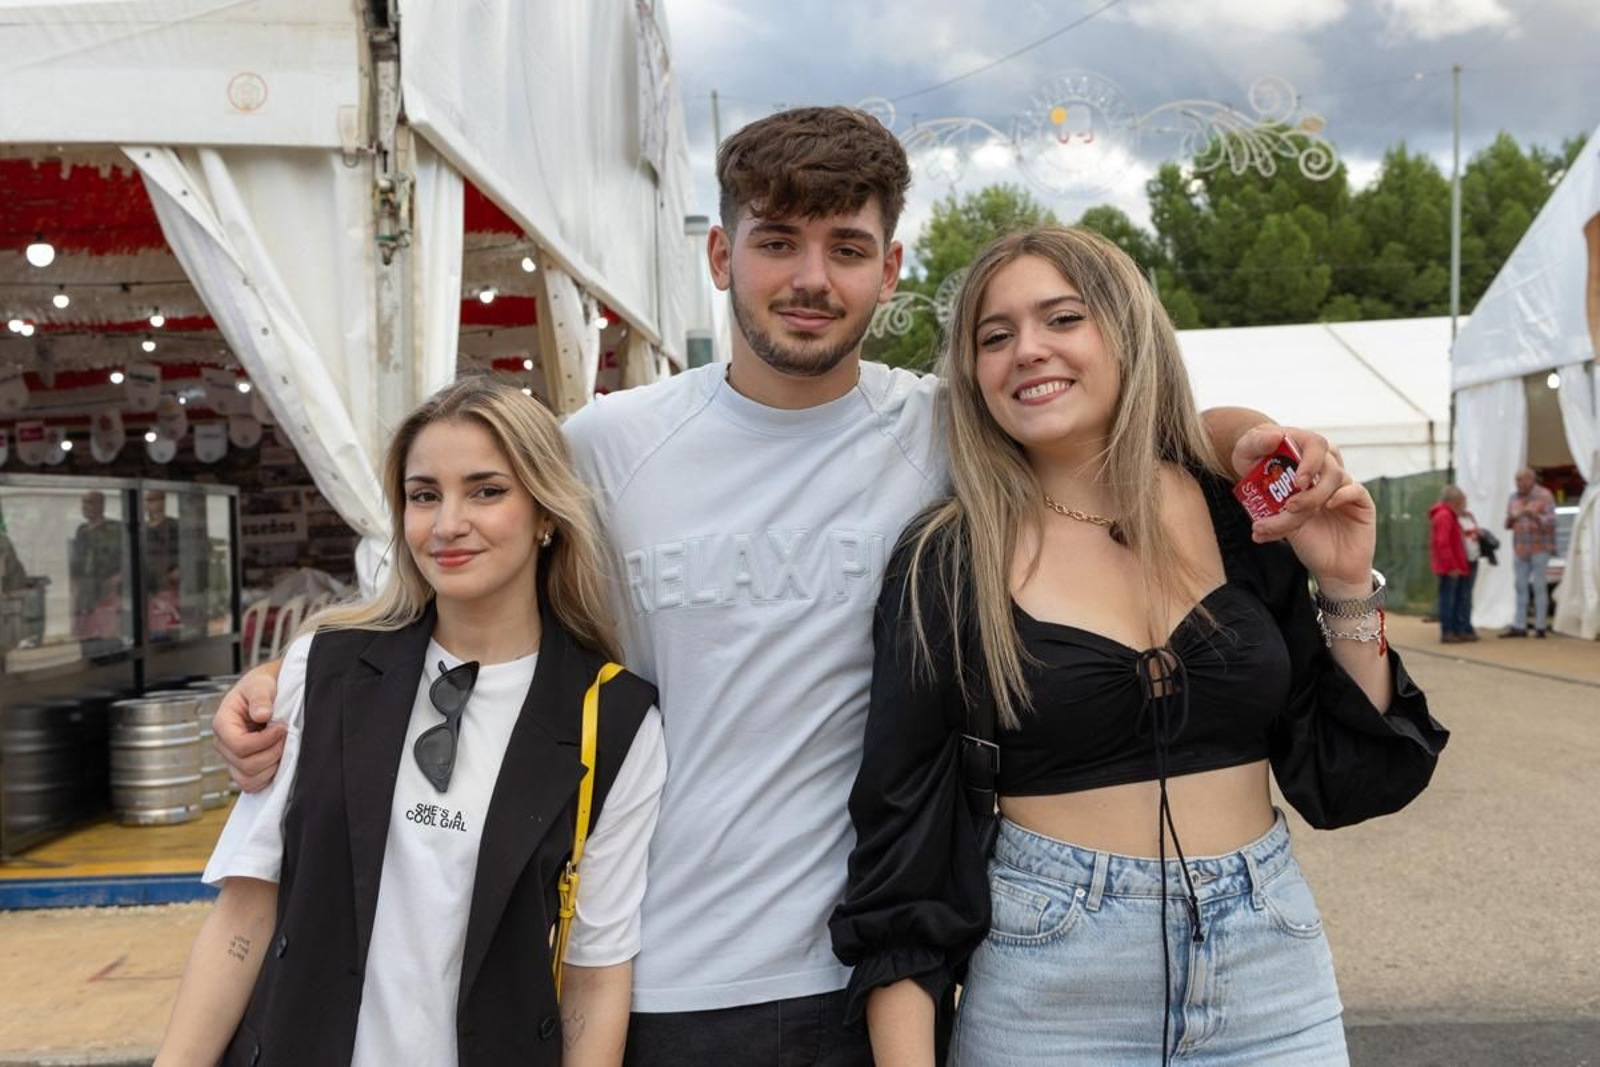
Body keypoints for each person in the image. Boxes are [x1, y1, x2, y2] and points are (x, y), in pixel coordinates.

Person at [211, 108, 1347, 1065]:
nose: (811, 279)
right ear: (722, 254)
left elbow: (1113, 430)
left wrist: (1246, 432)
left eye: (848, 248)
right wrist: (283, 682)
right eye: (777, 243)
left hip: (863, 977)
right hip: (637, 971)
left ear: (891, 270)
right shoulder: (607, 445)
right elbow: (457, 551)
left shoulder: (950, 436)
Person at [831, 227, 1449, 1065]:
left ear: (1126, 332)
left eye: (1062, 318)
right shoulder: (947, 561)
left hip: (1271, 966)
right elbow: (902, 852)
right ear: (972, 375)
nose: (1028, 350)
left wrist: (1343, 586)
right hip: (1051, 983)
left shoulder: (1237, 515)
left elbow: (1353, 777)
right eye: (995, 335)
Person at [156, 378, 666, 1066]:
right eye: (425, 494)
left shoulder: (613, 717)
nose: (448, 523)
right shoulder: (323, 671)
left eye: (486, 490)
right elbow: (244, 914)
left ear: (546, 513)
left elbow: (595, 975)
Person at [1502, 466, 1557, 638]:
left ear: (1531, 480)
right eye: (1516, 480)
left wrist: (1534, 516)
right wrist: (1512, 518)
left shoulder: (1545, 495)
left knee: (1540, 586)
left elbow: (1552, 521)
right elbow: (1507, 524)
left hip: (1540, 547)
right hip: (1520, 548)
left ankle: (1540, 626)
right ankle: (1520, 625)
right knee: (1520, 586)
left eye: (1521, 480)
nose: (1518, 484)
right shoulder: (1513, 497)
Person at [69, 490, 126, 640]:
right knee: (85, 634)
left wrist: (117, 580)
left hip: (107, 591)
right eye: (84, 502)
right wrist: (74, 584)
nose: (85, 507)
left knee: (107, 634)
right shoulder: (81, 530)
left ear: (101, 505)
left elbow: (126, 557)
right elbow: (77, 561)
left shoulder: (115, 529)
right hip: (85, 592)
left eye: (90, 502)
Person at [1430, 485, 1473, 643]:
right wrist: (1451, 566)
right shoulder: (1444, 516)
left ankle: (1455, 629)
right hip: (1450, 567)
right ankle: (1447, 631)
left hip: (1455, 565)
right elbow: (1442, 543)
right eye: (1462, 500)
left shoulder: (1450, 515)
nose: (1465, 503)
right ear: (1455, 500)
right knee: (1448, 600)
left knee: (1454, 599)